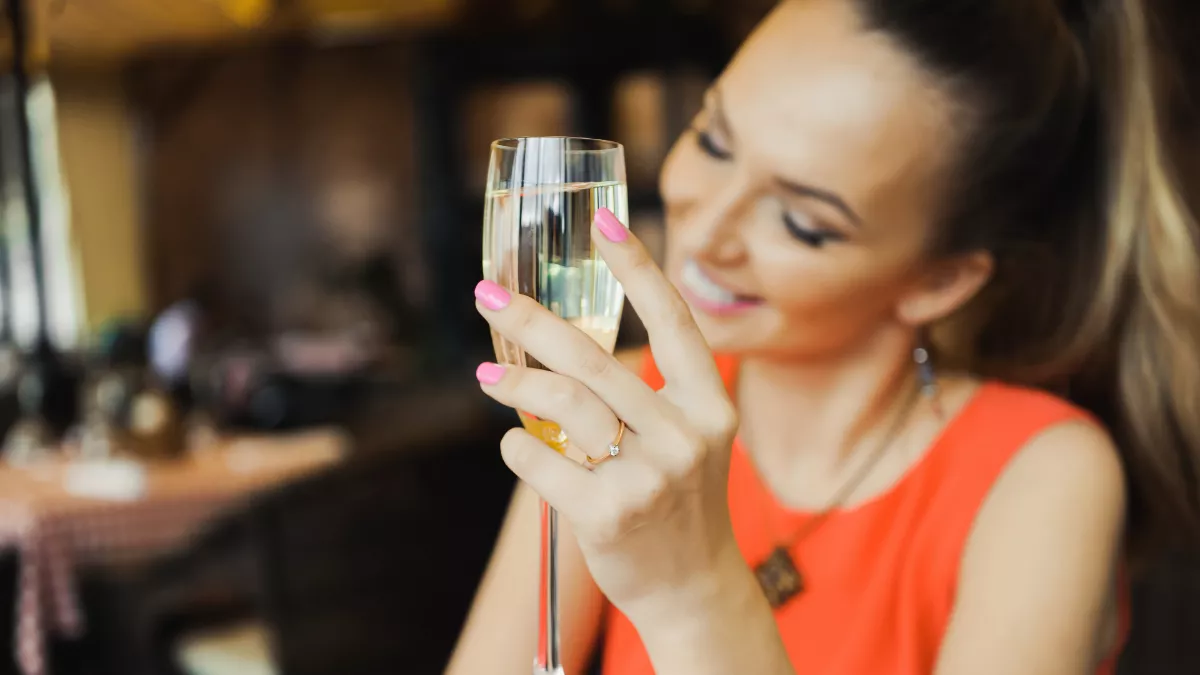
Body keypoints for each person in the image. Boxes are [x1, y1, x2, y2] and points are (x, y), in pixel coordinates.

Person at [448, 0, 1200, 673]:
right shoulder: (618, 411)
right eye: (713, 142)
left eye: (802, 222)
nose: (706, 233)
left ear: (939, 281)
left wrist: (694, 593)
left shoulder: (1043, 474)